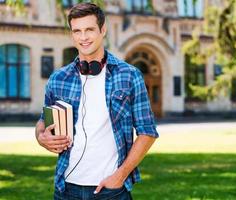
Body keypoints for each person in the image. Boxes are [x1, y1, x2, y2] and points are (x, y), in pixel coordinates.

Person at [35, 2, 159, 199]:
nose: (83, 37)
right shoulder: (58, 79)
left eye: (89, 30)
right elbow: (43, 120)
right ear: (72, 34)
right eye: (77, 31)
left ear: (103, 30)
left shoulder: (129, 75)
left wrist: (120, 176)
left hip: (111, 189)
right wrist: (41, 136)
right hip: (66, 188)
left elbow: (148, 132)